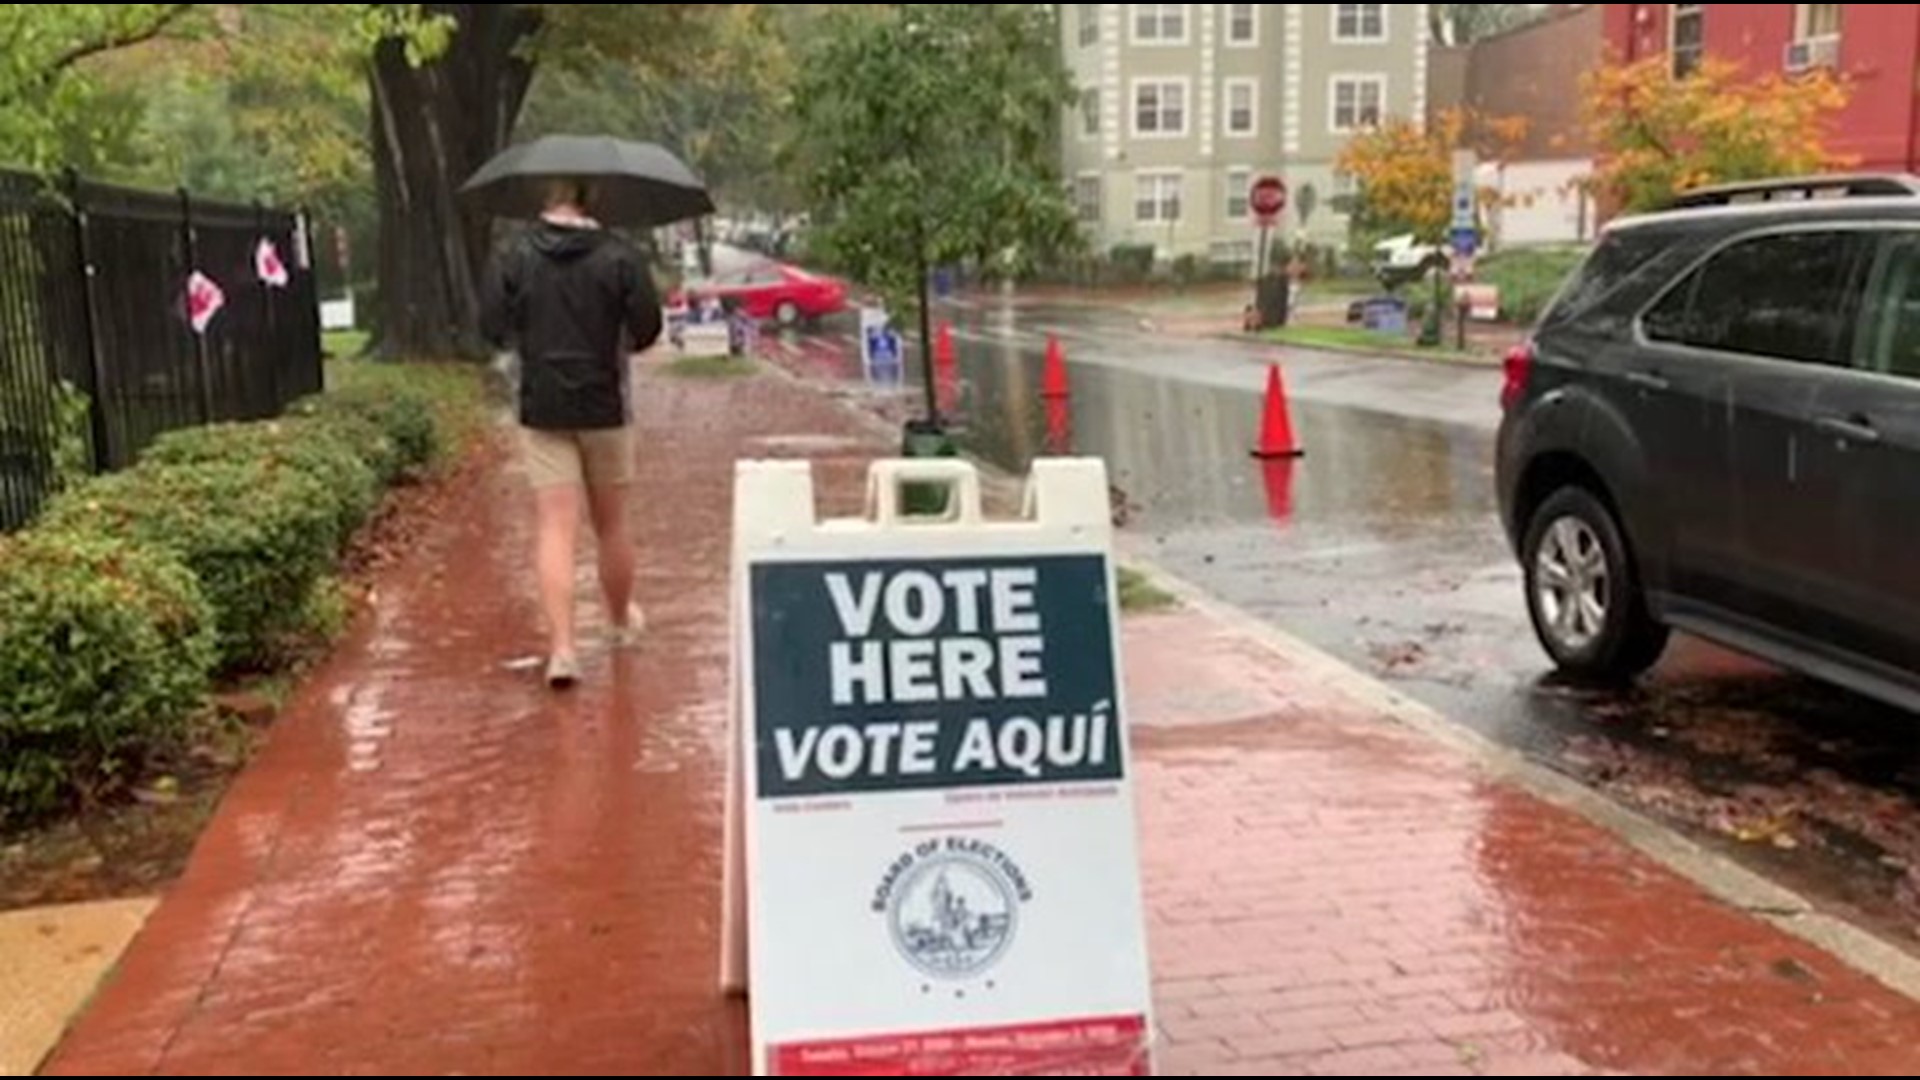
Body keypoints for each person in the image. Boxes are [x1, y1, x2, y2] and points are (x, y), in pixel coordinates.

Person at [480, 178, 663, 690]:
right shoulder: (620, 256)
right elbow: (647, 327)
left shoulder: (514, 256)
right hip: (606, 405)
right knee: (612, 524)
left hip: (543, 407)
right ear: (592, 199)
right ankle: (621, 620)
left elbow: (491, 325)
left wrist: (526, 332)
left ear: (546, 200)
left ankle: (562, 648)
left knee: (555, 526)